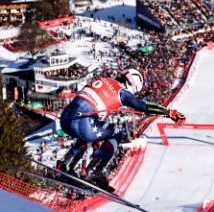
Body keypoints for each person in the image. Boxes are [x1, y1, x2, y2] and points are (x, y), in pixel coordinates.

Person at [57, 66, 186, 191]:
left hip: (65, 119)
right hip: (83, 124)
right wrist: (168, 113)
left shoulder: (103, 80)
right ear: (132, 85)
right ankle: (94, 170)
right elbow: (144, 107)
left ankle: (66, 163)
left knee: (89, 133)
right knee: (117, 133)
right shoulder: (123, 93)